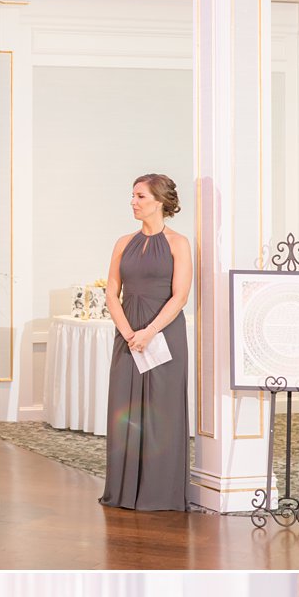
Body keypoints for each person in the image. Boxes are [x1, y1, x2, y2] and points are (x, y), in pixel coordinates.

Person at [100, 174, 192, 510]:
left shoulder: (178, 243)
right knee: (125, 409)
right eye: (133, 195)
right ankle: (124, 491)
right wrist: (127, 333)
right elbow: (112, 292)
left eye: (140, 196)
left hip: (163, 335)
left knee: (161, 412)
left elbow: (180, 297)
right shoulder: (123, 242)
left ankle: (160, 493)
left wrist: (150, 332)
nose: (133, 202)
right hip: (128, 334)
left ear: (159, 201)